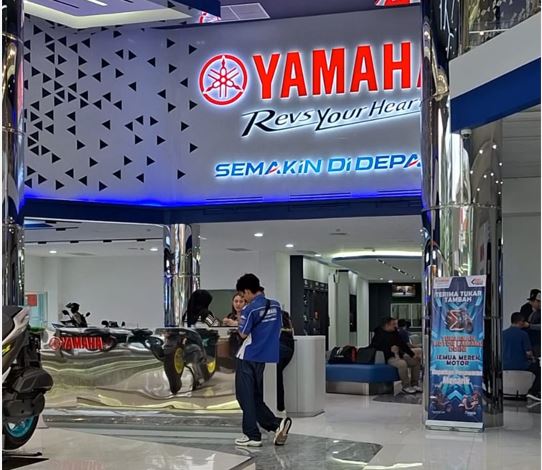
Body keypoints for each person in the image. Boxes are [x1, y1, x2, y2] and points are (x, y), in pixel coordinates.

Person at [234, 273, 292, 447]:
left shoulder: (250, 309)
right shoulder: (275, 306)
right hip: (263, 357)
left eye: (243, 295)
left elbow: (243, 333)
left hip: (247, 356)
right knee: (255, 396)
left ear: (247, 291)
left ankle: (252, 434)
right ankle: (276, 424)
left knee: (244, 396)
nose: (243, 299)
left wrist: (239, 317)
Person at [371, 317, 421, 394]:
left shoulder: (395, 332)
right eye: (393, 324)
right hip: (388, 357)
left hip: (399, 355)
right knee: (402, 364)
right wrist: (391, 350)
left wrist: (412, 354)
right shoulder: (378, 335)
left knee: (416, 361)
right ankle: (406, 386)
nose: (396, 326)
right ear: (387, 325)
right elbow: (376, 347)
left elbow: (402, 344)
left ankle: (415, 384)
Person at [503, 312, 540, 401]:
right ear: (520, 322)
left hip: (504, 364)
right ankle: (533, 392)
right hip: (521, 364)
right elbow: (528, 353)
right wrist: (533, 359)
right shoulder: (523, 334)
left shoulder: (502, 333)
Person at [277, 310, 295, 415]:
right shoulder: (288, 332)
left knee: (276, 376)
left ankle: (279, 405)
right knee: (277, 376)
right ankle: (280, 405)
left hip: (281, 349)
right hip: (286, 349)